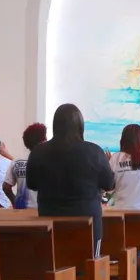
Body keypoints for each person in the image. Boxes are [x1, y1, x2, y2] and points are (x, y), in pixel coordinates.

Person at [28, 105, 115, 248]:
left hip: (50, 220)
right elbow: (109, 184)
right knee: (88, 264)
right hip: (87, 221)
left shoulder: (38, 152)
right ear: (80, 125)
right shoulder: (94, 151)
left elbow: (31, 184)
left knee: (56, 263)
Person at [3, 123, 47, 209]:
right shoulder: (48, 159)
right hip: (42, 209)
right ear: (42, 139)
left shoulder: (17, 161)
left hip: (22, 209)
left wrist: (14, 201)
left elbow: (6, 187)